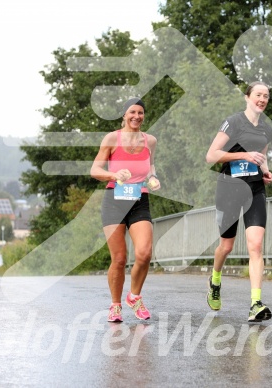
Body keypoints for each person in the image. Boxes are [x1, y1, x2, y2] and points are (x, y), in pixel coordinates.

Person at [205, 81, 272, 322]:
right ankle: (215, 280)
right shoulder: (234, 122)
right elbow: (211, 156)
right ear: (247, 97)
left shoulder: (267, 129)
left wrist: (266, 170)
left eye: (266, 96)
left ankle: (255, 303)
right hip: (229, 189)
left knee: (255, 245)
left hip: (254, 189)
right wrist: (244, 154)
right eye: (258, 94)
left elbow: (262, 157)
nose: (262, 99)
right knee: (226, 246)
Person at [90, 97, 161, 322]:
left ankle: (134, 296)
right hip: (114, 200)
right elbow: (95, 169)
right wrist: (113, 175)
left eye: (140, 113)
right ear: (124, 115)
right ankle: (115, 305)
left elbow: (150, 166)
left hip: (139, 200)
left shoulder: (150, 141)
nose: (136, 117)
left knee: (144, 252)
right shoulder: (112, 138)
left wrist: (153, 177)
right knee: (119, 258)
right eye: (132, 112)